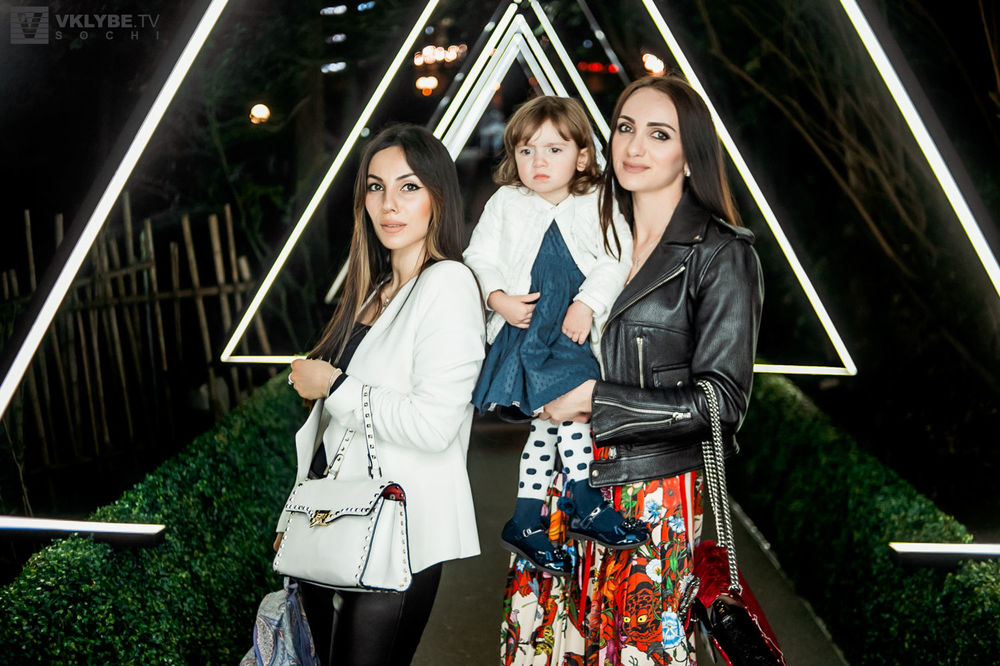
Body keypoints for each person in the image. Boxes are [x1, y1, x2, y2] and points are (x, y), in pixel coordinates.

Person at [500, 74, 764, 665]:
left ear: (691, 157)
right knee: (546, 649)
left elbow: (721, 402)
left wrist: (596, 400)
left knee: (633, 653)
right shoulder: (579, 226)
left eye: (659, 134)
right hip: (560, 487)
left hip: (650, 497)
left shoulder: (720, 253)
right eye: (625, 128)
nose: (635, 146)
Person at [277, 124, 486, 666]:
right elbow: (335, 434)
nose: (388, 204)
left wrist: (334, 385)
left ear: (439, 196)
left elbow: (433, 425)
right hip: (336, 521)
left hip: (400, 533)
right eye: (376, 187)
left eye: (408, 187)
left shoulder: (448, 284)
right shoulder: (374, 290)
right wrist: (296, 514)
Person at [463, 95, 647, 577]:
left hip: (569, 329)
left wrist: (588, 303)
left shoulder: (598, 201)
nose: (538, 161)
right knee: (571, 413)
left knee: (553, 421)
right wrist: (497, 297)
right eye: (526, 151)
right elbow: (478, 255)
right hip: (527, 329)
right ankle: (583, 501)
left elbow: (617, 257)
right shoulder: (507, 202)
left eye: (553, 149)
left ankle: (526, 518)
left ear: (582, 157)